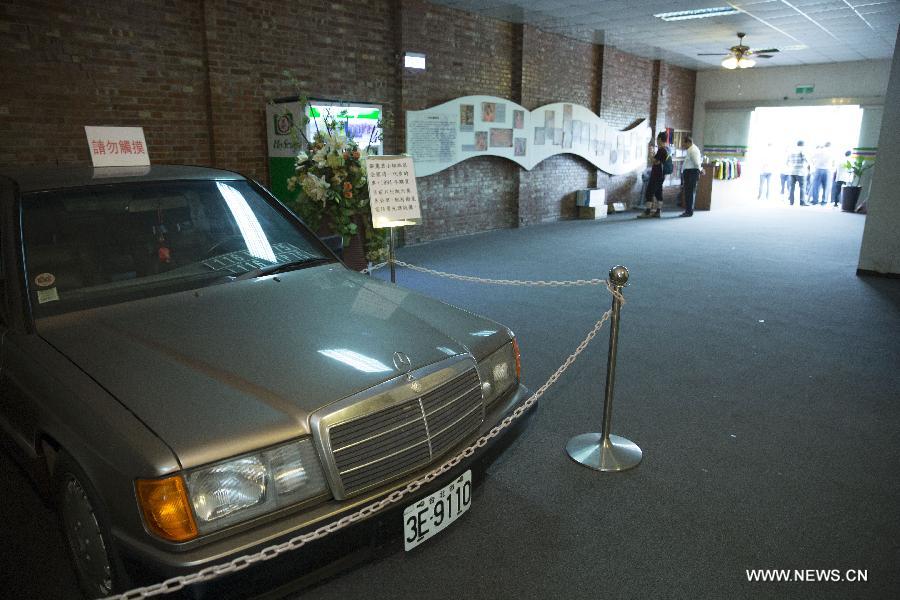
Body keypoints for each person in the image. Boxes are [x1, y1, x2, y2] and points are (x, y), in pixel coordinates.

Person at [639, 131, 670, 218]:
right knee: (658, 193)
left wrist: (650, 155)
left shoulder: (661, 150)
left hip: (656, 175)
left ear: (660, 139)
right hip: (661, 175)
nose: (656, 141)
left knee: (649, 193)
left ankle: (647, 212)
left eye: (657, 139)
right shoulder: (666, 149)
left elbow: (655, 162)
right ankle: (658, 212)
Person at [679, 135, 702, 217]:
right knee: (688, 192)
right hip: (689, 172)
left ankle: (689, 211)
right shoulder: (690, 149)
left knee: (690, 192)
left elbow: (696, 163)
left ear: (689, 142)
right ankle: (688, 211)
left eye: (684, 144)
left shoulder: (693, 150)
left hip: (692, 172)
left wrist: (701, 169)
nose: (684, 145)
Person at [786, 140, 809, 206]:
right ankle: (802, 202)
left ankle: (791, 202)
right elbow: (807, 161)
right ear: (803, 145)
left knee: (792, 187)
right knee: (802, 187)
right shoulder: (803, 151)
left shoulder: (791, 151)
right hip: (801, 172)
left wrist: (792, 166)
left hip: (792, 171)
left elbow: (787, 162)